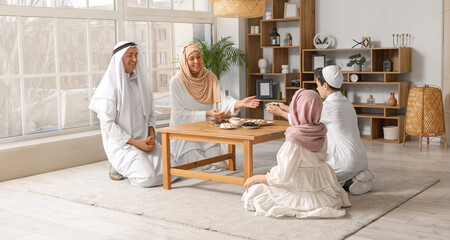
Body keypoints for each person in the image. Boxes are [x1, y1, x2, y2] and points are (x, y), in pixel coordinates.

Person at [242, 89, 351, 218]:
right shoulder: (321, 129)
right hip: (321, 180)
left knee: (253, 193)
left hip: (299, 183)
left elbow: (282, 176)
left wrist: (256, 178)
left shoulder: (295, 137)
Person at [266, 65, 375, 195]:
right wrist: (285, 107)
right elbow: (308, 112)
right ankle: (358, 177)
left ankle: (349, 182)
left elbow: (302, 120)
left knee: (312, 180)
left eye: (317, 84)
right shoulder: (345, 102)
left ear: (325, 86)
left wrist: (280, 112)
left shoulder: (328, 106)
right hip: (360, 159)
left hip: (345, 162)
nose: (316, 88)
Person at [89, 41, 176, 187]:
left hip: (145, 141)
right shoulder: (109, 87)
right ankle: (118, 165)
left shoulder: (141, 84)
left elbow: (150, 115)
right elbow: (107, 124)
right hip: (124, 145)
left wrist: (151, 137)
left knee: (175, 170)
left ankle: (134, 166)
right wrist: (136, 143)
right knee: (148, 178)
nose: (135, 59)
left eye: (136, 55)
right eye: (130, 55)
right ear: (119, 59)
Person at [170, 43, 260, 170]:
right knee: (199, 166)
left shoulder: (210, 77)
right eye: (191, 59)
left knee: (219, 166)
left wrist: (241, 103)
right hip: (186, 134)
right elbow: (179, 114)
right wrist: (207, 114)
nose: (196, 61)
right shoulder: (176, 82)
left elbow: (222, 102)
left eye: (199, 57)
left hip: (209, 132)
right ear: (184, 61)